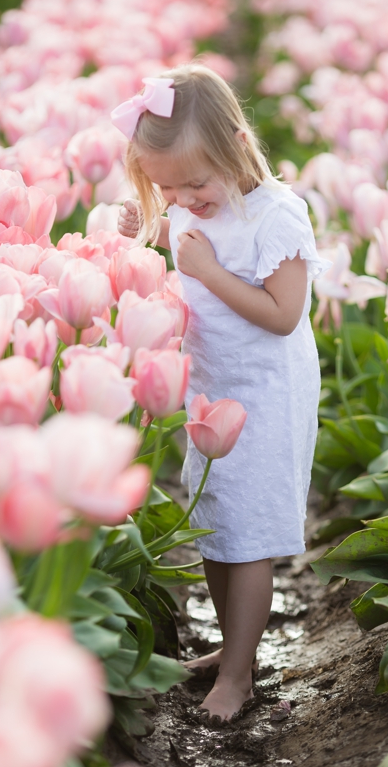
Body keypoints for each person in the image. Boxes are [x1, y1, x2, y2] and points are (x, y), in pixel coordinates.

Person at [114, 65, 322, 723]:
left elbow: (282, 313)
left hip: (265, 392)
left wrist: (204, 268)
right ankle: (233, 648)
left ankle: (238, 674)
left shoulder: (278, 217)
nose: (182, 199)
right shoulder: (184, 204)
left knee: (250, 536)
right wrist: (142, 231)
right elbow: (181, 244)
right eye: (166, 187)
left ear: (236, 144)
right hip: (209, 385)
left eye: (193, 184)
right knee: (216, 523)